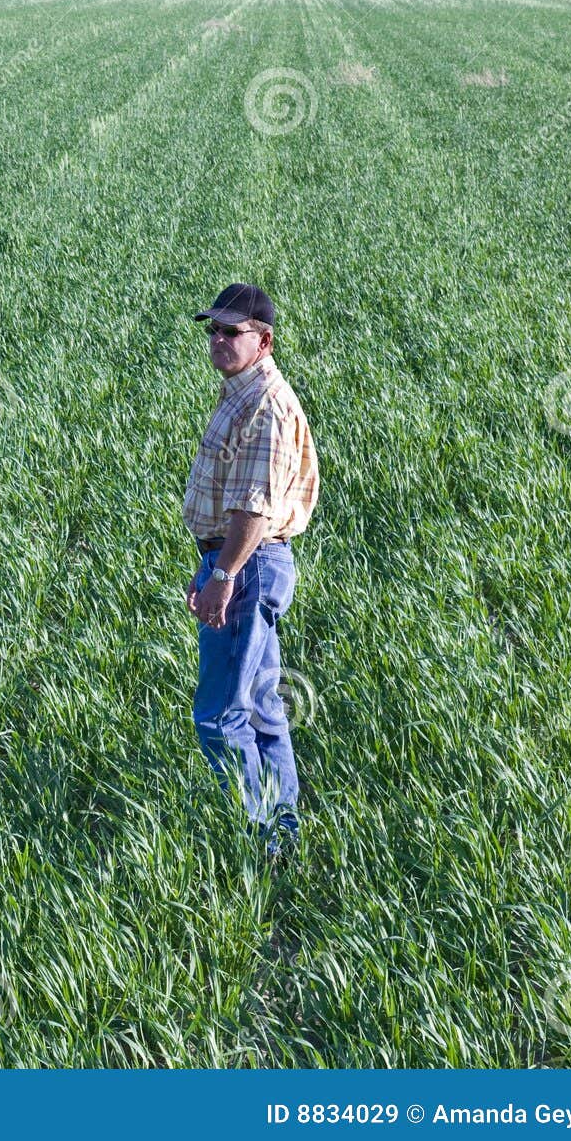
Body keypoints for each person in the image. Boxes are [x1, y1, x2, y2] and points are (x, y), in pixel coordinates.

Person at [181, 284, 319, 860]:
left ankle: (259, 836)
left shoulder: (264, 404)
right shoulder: (244, 393)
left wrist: (222, 574)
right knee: (263, 704)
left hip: (247, 562)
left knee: (220, 715)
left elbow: (254, 507)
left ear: (263, 340)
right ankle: (282, 831)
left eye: (230, 331)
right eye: (212, 330)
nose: (218, 339)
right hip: (241, 560)